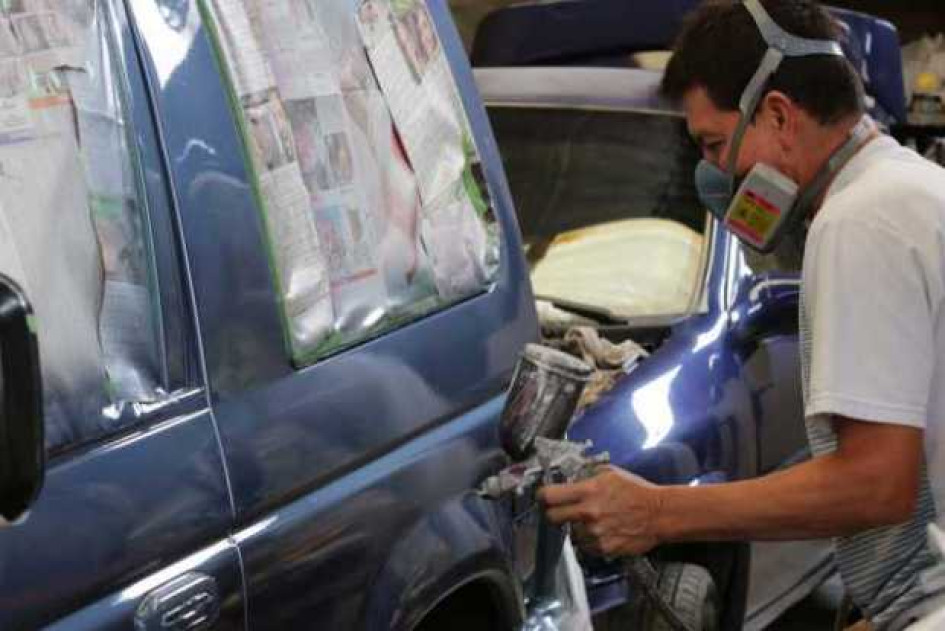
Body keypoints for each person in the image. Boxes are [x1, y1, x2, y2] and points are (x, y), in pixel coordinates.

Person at [539, 1, 945, 629]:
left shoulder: (859, 222)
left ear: (779, 114)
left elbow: (875, 482)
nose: (712, 173)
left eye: (715, 144)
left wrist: (657, 512)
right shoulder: (907, 190)